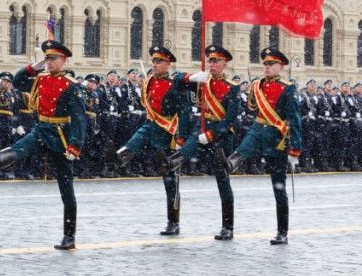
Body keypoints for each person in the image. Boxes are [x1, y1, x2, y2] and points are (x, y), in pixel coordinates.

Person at [0, 40, 85, 250]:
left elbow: (79, 119)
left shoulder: (72, 86)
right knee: (21, 147)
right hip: (41, 128)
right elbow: (18, 80)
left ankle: (69, 235)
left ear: (63, 60)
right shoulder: (41, 79)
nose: (49, 62)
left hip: (60, 135)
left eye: (53, 58)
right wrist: (35, 66)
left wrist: (75, 145)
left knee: (66, 185)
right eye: (47, 58)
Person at [224, 47, 302, 245]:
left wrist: (295, 149)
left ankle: (282, 232)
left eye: (271, 64)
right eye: (265, 64)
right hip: (258, 130)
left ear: (281, 67)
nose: (267, 68)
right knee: (244, 147)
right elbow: (252, 108)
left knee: (278, 187)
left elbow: (295, 119)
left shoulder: (288, 88)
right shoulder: (258, 85)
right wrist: (252, 91)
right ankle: (232, 162)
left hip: (277, 138)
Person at [166, 45, 241, 241]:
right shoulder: (202, 82)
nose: (212, 64)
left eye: (216, 61)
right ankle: (175, 160)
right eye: (211, 61)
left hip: (221, 137)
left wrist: (210, 135)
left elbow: (229, 120)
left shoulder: (232, 88)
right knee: (184, 151)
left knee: (222, 181)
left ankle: (228, 227)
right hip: (200, 130)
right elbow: (175, 82)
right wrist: (190, 77)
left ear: (225, 64)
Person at [113, 46, 190, 236]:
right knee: (132, 144)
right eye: (154, 61)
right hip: (150, 125)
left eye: (159, 62)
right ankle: (119, 159)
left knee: (170, 181)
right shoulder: (148, 82)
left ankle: (173, 222)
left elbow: (185, 112)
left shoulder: (175, 84)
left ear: (168, 64)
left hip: (168, 131)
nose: (155, 65)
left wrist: (181, 137)